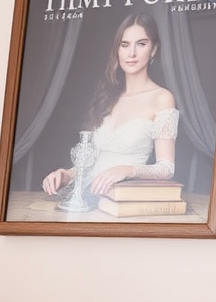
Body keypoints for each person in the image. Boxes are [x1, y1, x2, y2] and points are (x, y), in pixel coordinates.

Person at [42, 12, 178, 202]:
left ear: (153, 49)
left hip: (118, 199)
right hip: (84, 194)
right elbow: (95, 161)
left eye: (141, 44)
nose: (132, 53)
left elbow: (166, 168)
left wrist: (125, 170)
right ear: (117, 50)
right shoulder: (108, 96)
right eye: (125, 45)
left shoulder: (162, 98)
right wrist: (65, 175)